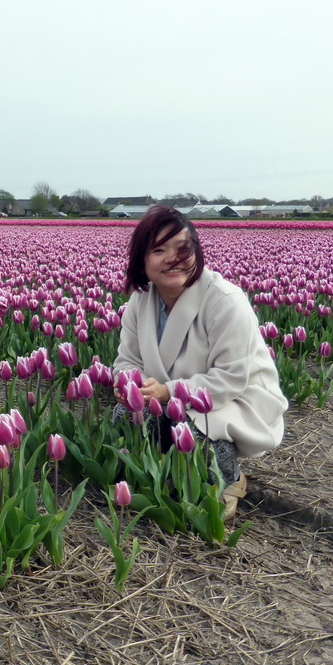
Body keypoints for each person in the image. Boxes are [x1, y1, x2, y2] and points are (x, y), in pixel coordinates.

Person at [113, 206, 287, 519]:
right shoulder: (141, 301)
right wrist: (130, 384)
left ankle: (226, 481)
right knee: (125, 415)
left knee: (195, 428)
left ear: (197, 253)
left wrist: (168, 391)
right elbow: (127, 359)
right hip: (172, 397)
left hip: (232, 398)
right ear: (142, 258)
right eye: (159, 250)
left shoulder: (224, 300)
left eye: (182, 248)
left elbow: (231, 377)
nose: (173, 258)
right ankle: (162, 474)